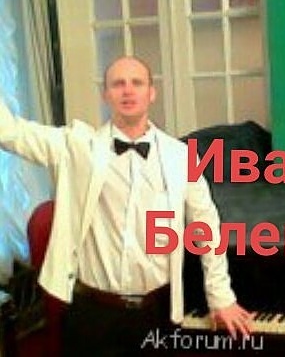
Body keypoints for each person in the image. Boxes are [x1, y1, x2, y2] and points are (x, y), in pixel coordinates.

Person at [0, 56, 254, 356]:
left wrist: (221, 296)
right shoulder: (77, 147)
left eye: (137, 83)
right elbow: (9, 132)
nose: (128, 90)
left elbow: (206, 227)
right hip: (92, 314)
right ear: (106, 94)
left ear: (151, 92)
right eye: (118, 84)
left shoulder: (181, 156)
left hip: (156, 314)